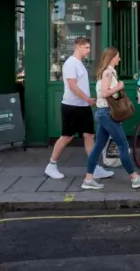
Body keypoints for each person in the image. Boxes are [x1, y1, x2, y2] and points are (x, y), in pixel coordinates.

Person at [82, 47, 140, 190]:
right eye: (118, 56)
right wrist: (119, 86)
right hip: (107, 114)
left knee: (98, 147)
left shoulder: (105, 72)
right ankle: (135, 178)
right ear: (112, 57)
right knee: (123, 146)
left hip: (103, 113)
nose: (119, 59)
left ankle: (88, 180)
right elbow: (105, 92)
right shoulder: (108, 72)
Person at [44, 37, 114, 180]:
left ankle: (94, 168)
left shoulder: (80, 64)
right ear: (78, 47)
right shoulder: (70, 64)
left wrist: (87, 101)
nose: (89, 50)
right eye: (87, 47)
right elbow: (72, 86)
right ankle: (51, 166)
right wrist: (87, 99)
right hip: (71, 107)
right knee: (66, 137)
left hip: (83, 107)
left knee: (89, 136)